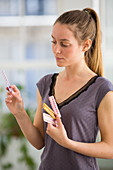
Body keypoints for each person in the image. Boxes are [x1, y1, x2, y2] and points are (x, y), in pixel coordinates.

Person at [5, 8, 113, 170]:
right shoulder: (45, 83)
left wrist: (67, 143)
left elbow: (110, 148)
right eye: (53, 42)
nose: (56, 50)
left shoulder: (101, 89)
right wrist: (19, 113)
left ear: (85, 45)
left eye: (64, 44)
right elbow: (40, 142)